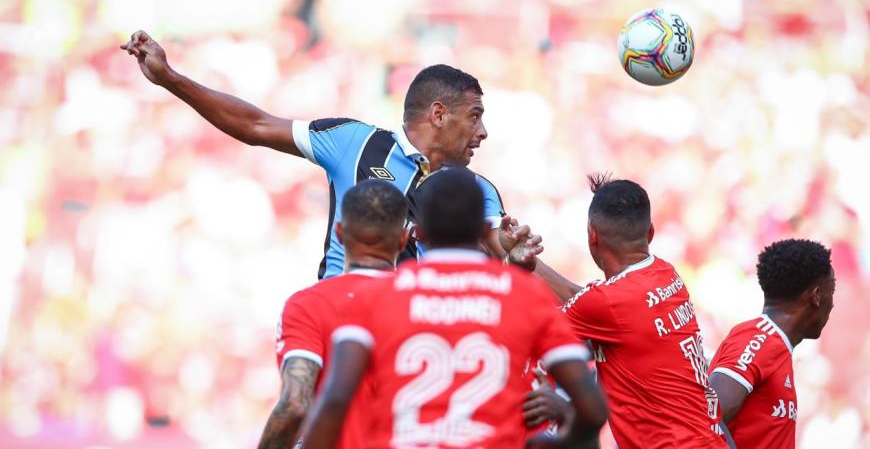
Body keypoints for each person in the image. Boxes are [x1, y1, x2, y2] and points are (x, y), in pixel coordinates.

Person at [121, 31, 510, 279]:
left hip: (412, 343)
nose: (483, 132)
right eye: (475, 116)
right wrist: (171, 79)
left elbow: (508, 263)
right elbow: (255, 125)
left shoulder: (480, 193)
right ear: (438, 114)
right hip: (339, 318)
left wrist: (519, 260)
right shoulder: (352, 142)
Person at [301, 168, 608, 449]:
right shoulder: (525, 293)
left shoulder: (377, 296)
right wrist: (562, 442)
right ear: (481, 225)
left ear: (417, 231)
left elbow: (337, 398)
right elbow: (592, 409)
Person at [529, 174, 728, 448]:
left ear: (592, 234)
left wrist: (499, 250)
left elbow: (538, 326)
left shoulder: (607, 302)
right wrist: (530, 263)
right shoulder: (665, 274)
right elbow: (587, 304)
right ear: (650, 232)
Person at [258, 179, 409, 449]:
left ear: (339, 233)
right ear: (403, 239)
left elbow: (294, 405)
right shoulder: (425, 303)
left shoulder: (308, 304)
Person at [709, 239, 835, 449]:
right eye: (832, 292)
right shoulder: (758, 339)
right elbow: (709, 413)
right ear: (817, 296)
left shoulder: (777, 346)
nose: (833, 303)